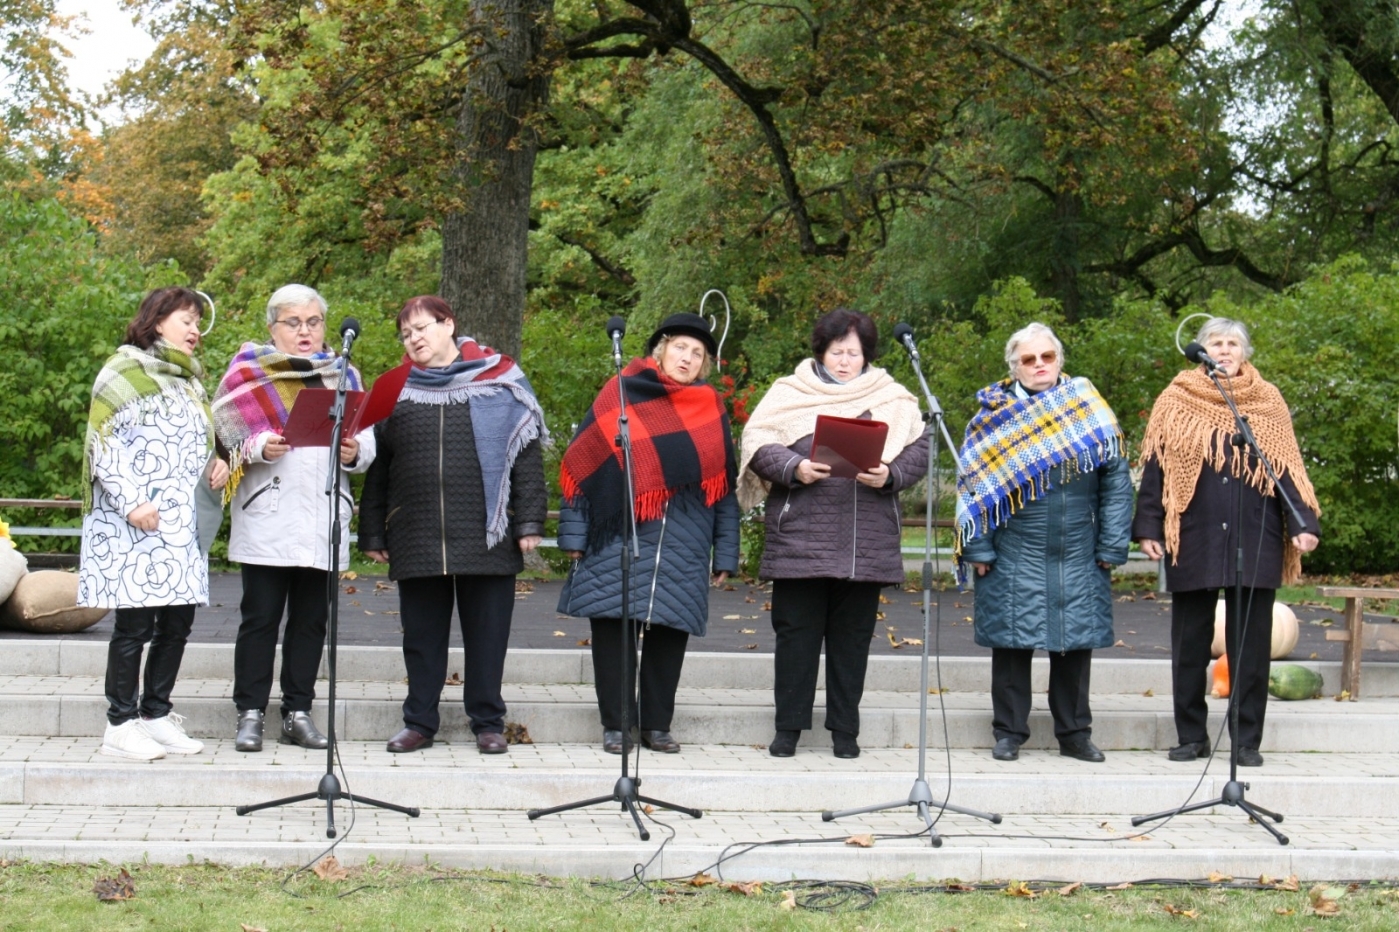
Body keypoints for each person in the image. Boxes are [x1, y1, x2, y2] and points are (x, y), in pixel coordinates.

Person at [359, 296, 548, 755]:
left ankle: (487, 723)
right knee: (421, 640)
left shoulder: (500, 381)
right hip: (417, 532)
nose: (414, 339)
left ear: (448, 325)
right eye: (406, 334)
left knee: (488, 638)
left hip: (487, 533)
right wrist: (373, 531)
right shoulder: (395, 390)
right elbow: (379, 467)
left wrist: (528, 520)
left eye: (422, 327)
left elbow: (524, 456)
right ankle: (419, 722)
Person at [739, 308, 927, 760]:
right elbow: (756, 442)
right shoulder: (788, 392)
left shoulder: (894, 397)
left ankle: (846, 731)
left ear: (867, 356)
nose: (845, 361)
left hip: (867, 540)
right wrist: (794, 466)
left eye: (854, 353)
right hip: (800, 536)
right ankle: (788, 730)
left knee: (852, 640)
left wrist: (891, 474)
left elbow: (920, 449)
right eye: (837, 351)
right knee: (796, 637)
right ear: (821, 351)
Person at [1133, 317, 1320, 767]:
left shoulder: (1267, 401)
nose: (1224, 350)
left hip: (1256, 535)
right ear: (1201, 350)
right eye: (1215, 342)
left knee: (1252, 646)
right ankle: (1191, 736)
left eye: (1232, 343)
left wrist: (1304, 522)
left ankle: (1245, 741)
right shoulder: (1175, 399)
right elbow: (1155, 467)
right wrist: (1148, 526)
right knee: (1191, 643)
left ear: (1245, 352)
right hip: (1194, 534)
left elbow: (1287, 469)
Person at [557, 313, 740, 755]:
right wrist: (575, 538)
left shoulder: (711, 408)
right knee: (614, 633)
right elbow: (585, 468)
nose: (688, 358)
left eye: (698, 354)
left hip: (685, 543)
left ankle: (657, 725)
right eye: (680, 347)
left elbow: (725, 488)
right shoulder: (620, 392)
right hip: (618, 538)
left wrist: (726, 554)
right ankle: (617, 725)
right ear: (661, 349)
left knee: (669, 636)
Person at [955, 322, 1133, 763]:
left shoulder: (1089, 409)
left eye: (1046, 357)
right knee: (1012, 645)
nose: (1039, 366)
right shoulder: (993, 418)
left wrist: (1112, 545)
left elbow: (1116, 482)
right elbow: (975, 485)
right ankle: (1009, 733)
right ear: (1014, 367)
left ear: (1059, 361)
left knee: (1073, 645)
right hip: (1015, 549)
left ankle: (1074, 735)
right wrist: (977, 546)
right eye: (1028, 359)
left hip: (1079, 548)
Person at [212, 284, 376, 752]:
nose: (305, 332)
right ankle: (249, 714)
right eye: (293, 322)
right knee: (260, 619)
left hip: (322, 515)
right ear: (273, 327)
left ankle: (297, 713)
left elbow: (366, 440)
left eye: (313, 322)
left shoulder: (343, 372)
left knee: (310, 622)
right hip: (268, 512)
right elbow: (223, 441)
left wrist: (353, 452)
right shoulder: (248, 374)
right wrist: (260, 447)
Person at [79, 287, 230, 760]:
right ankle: (119, 723)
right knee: (134, 626)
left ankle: (156, 714)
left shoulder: (190, 382)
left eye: (197, 322)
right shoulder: (123, 371)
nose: (194, 331)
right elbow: (101, 443)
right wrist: (130, 501)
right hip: (138, 524)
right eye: (186, 319)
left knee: (177, 623)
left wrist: (218, 462)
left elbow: (194, 443)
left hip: (182, 526)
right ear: (157, 319)